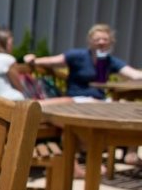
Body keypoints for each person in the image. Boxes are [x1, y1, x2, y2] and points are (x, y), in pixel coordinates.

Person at [24, 23, 142, 166]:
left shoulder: (108, 60)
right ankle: (92, 152)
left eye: (105, 39)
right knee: (104, 110)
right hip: (77, 99)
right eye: (97, 39)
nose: (101, 42)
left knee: (129, 109)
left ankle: (131, 152)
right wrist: (33, 60)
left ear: (111, 41)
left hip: (99, 100)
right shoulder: (77, 55)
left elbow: (134, 74)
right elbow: (52, 61)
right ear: (90, 41)